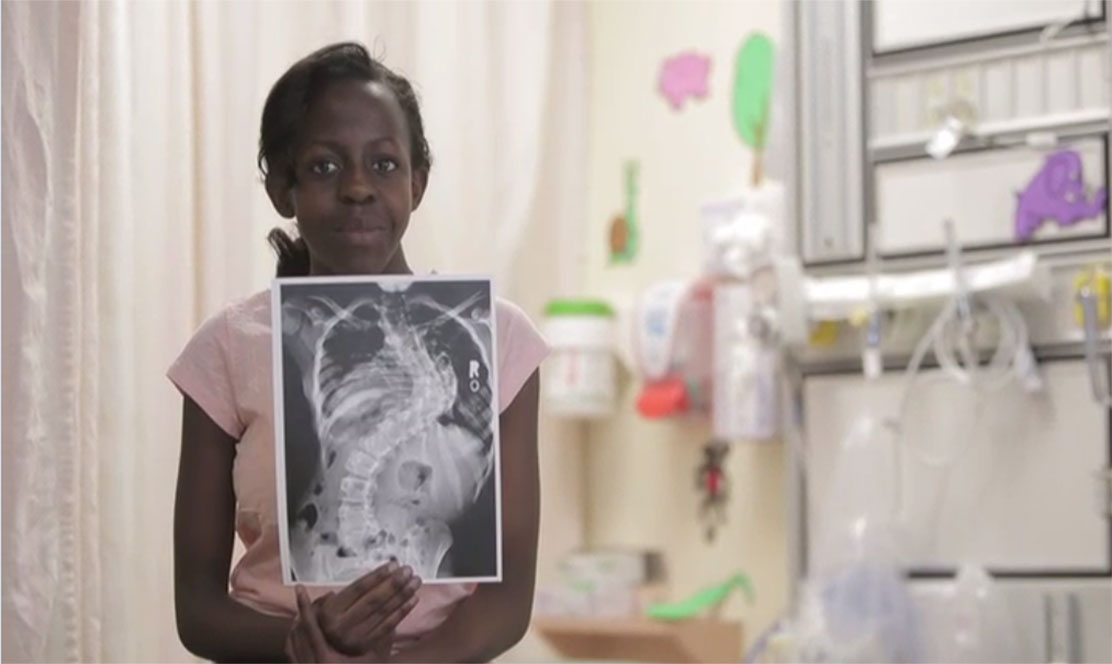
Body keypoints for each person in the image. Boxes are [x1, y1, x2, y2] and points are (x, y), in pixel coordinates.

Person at [169, 42, 549, 663]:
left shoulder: (499, 340)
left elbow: (508, 600)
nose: (356, 188)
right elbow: (197, 608)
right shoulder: (228, 348)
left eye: (384, 164)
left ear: (417, 182)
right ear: (282, 188)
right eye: (323, 167)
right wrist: (300, 645)